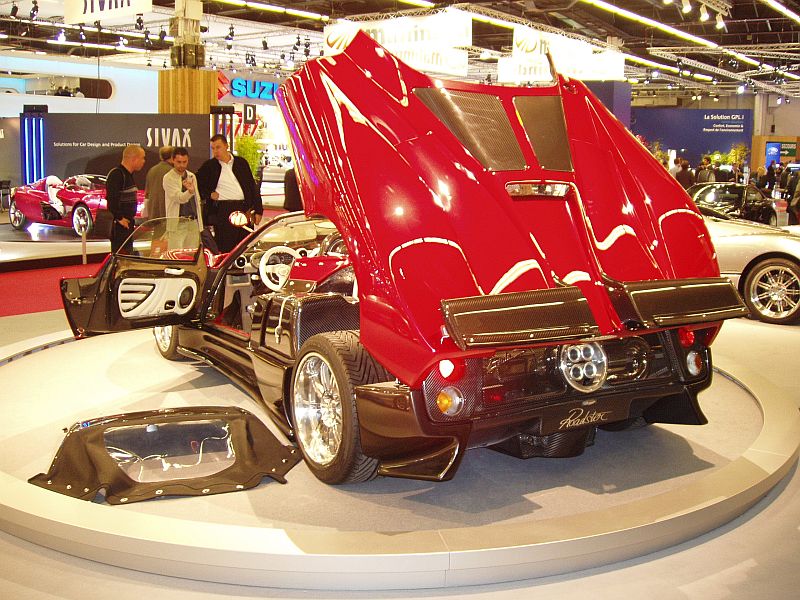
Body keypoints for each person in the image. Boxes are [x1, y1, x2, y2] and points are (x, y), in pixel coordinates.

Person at [196, 134, 262, 252]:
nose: (216, 151)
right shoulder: (209, 166)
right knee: (226, 245)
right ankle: (226, 268)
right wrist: (209, 194)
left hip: (243, 208)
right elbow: (197, 183)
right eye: (213, 148)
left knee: (245, 243)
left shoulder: (241, 163)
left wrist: (258, 209)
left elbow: (252, 186)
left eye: (218, 147)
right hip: (223, 209)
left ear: (226, 146)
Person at [106, 145, 145, 254]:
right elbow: (112, 199)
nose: (144, 161)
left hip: (127, 224)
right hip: (120, 227)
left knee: (127, 254)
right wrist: (120, 218)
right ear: (134, 159)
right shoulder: (117, 174)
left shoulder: (128, 175)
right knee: (121, 255)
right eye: (142, 158)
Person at [162, 146, 201, 250]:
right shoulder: (168, 178)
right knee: (176, 255)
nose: (182, 165)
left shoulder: (191, 176)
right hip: (177, 222)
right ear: (172, 160)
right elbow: (179, 198)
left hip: (193, 221)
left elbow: (197, 200)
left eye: (184, 162)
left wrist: (199, 223)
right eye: (179, 162)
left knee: (193, 255)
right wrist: (190, 191)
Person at [144, 146, 173, 221]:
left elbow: (147, 193)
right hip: (167, 214)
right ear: (173, 156)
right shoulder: (172, 172)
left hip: (153, 213)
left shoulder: (152, 170)